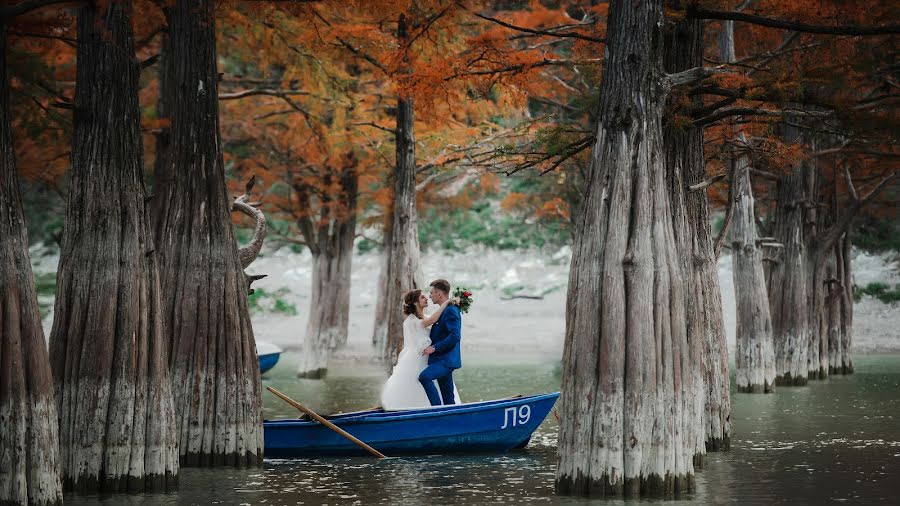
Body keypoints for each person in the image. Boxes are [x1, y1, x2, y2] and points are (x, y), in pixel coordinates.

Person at [380, 288, 461, 410]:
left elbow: (440, 327)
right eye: (422, 297)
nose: (427, 298)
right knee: (420, 381)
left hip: (433, 357)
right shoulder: (412, 321)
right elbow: (433, 320)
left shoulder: (426, 317)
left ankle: (445, 411)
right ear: (415, 302)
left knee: (441, 386)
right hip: (418, 358)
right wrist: (446, 303)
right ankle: (434, 410)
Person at [419, 279, 462, 406]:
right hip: (441, 360)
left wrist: (434, 348)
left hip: (446, 360)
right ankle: (450, 420)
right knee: (448, 399)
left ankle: (436, 411)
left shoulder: (450, 310)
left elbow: (454, 336)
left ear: (439, 294)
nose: (430, 296)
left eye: (432, 293)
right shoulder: (444, 310)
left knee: (425, 377)